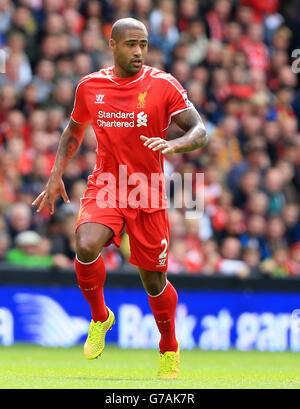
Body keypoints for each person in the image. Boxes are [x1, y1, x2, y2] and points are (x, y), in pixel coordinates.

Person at [32, 17, 207, 379]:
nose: (139, 51)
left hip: (149, 191)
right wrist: (55, 176)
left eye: (143, 44)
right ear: (112, 45)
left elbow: (200, 129)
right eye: (130, 44)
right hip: (107, 184)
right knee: (84, 244)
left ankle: (169, 348)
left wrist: (174, 144)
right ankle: (100, 317)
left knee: (153, 281)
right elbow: (73, 130)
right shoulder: (90, 86)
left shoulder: (163, 85)